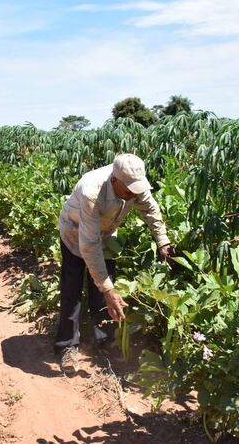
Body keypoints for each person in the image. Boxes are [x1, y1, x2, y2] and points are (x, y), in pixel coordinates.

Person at [56, 153, 174, 375]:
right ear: (114, 181)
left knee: (102, 293)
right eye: (128, 191)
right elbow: (89, 246)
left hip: (105, 234)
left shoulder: (133, 183)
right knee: (72, 289)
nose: (133, 195)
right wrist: (108, 288)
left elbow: (151, 210)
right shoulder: (92, 190)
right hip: (74, 233)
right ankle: (67, 347)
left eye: (136, 190)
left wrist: (162, 242)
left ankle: (100, 340)